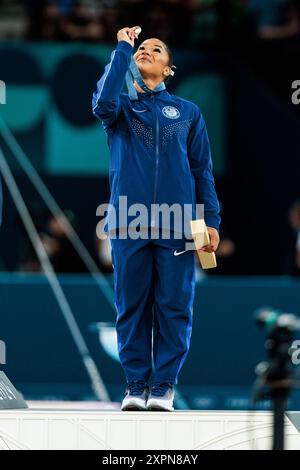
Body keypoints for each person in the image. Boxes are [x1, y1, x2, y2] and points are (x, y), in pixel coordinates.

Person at [92, 26, 221, 411]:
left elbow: (202, 171)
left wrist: (210, 220)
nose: (146, 51)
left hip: (178, 226)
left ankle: (163, 386)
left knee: (173, 307)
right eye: (141, 48)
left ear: (169, 68)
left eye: (156, 48)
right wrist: (121, 49)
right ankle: (134, 386)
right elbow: (101, 101)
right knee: (131, 306)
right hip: (128, 223)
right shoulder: (120, 109)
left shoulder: (188, 112)